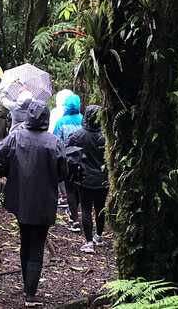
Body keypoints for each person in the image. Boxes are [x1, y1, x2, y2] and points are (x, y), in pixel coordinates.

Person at [0, 100, 68, 307]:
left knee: (25, 238)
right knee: (37, 243)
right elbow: (63, 172)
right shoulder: (53, 142)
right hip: (44, 200)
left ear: (29, 116)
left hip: (21, 198)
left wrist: (9, 173)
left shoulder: (16, 137)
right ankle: (31, 293)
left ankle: (27, 287)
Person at [65, 105, 109, 254]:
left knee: (85, 208)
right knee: (100, 208)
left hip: (85, 178)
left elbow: (66, 149)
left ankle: (89, 242)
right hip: (103, 178)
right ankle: (99, 236)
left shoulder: (78, 135)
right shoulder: (105, 136)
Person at [52, 94, 84, 232]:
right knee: (79, 188)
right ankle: (74, 212)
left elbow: (55, 140)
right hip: (84, 159)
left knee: (70, 188)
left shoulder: (61, 122)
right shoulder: (84, 120)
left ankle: (74, 218)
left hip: (68, 160)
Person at [49, 89, 74, 207]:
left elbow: (51, 130)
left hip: (59, 145)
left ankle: (64, 196)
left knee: (60, 169)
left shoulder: (55, 112)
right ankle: (72, 197)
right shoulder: (77, 114)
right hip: (75, 149)